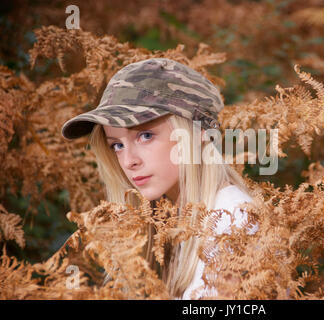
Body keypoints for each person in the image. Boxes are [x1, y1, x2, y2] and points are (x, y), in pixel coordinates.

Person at [61, 57, 257, 299]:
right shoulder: (172, 222)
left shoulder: (233, 222)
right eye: (117, 145)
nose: (128, 161)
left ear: (199, 133)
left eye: (145, 135)